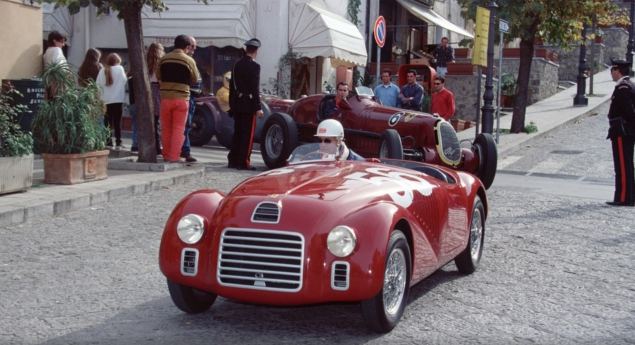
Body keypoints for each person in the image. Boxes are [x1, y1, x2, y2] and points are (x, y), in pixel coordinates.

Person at [157, 35, 200, 163]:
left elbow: (158, 75)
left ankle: (165, 154)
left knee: (166, 128)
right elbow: (195, 79)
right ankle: (174, 157)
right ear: (187, 47)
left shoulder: (163, 59)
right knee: (178, 129)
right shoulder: (189, 60)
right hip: (182, 99)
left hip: (165, 98)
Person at [227, 38, 264, 170]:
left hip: (237, 103)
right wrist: (258, 107)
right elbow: (255, 88)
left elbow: (232, 86)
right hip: (248, 104)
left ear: (246, 49)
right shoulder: (255, 66)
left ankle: (233, 160)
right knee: (247, 135)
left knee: (237, 132)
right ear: (256, 51)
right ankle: (243, 161)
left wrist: (232, 104)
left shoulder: (236, 65)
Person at [606, 59, 635, 206]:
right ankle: (627, 196)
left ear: (618, 71)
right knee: (626, 164)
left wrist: (627, 126)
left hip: (622, 131)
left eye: (612, 70)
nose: (611, 73)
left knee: (623, 165)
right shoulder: (628, 85)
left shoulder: (623, 87)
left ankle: (624, 197)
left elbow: (629, 111)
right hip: (625, 131)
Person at [96, 53, 128, 149]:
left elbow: (97, 84)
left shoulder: (102, 70)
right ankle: (118, 141)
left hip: (106, 100)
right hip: (118, 99)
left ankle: (108, 141)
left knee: (107, 122)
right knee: (117, 122)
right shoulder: (120, 69)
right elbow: (124, 80)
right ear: (118, 61)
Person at [147, 42, 165, 155]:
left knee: (152, 121)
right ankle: (158, 147)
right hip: (158, 90)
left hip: (148, 90)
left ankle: (151, 146)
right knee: (158, 122)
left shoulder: (146, 62)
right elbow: (160, 80)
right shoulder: (161, 63)